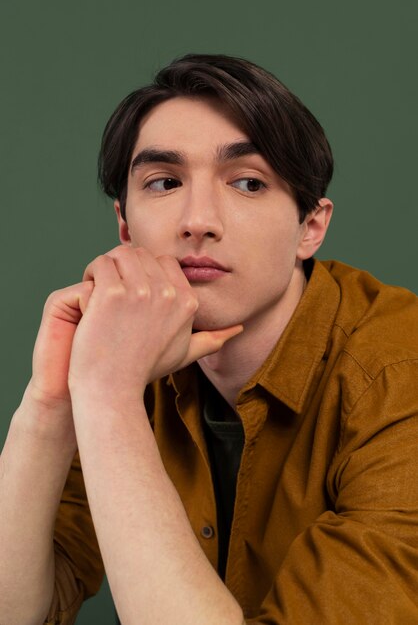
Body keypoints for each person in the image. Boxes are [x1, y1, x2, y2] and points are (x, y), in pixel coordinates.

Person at [1, 54, 417, 625]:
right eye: (165, 182)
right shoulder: (120, 355)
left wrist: (110, 400)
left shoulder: (401, 374)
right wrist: (51, 405)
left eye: (247, 183)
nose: (198, 220)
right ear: (126, 228)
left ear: (310, 228)